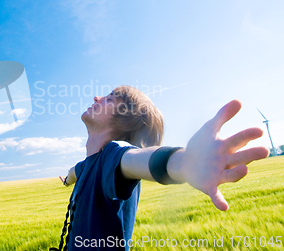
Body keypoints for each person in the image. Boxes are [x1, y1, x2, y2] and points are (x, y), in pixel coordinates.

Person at [53, 85, 269, 251]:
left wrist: (184, 162)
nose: (96, 98)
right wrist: (67, 180)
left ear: (126, 119)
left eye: (109, 99)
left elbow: (140, 159)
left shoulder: (113, 155)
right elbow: (75, 172)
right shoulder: (85, 166)